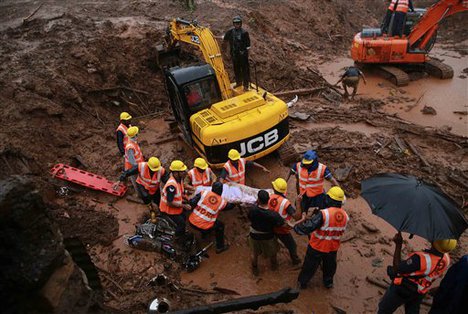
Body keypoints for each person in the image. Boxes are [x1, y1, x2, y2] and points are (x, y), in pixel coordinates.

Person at [377, 237, 455, 314]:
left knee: (384, 309)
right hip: (421, 290)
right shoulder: (446, 258)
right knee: (412, 310)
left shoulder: (420, 259)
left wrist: (398, 245)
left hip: (403, 288)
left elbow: (398, 268)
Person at [294, 186, 349, 289]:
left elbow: (308, 227)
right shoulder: (345, 216)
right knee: (330, 265)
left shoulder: (324, 214)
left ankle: (302, 283)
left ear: (330, 199)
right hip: (333, 247)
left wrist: (296, 228)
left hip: (317, 246)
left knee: (309, 265)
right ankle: (328, 282)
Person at [248, 190, 288, 276]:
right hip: (268, 236)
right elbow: (282, 224)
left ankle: (255, 269)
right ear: (268, 200)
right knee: (273, 253)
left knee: (254, 254)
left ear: (258, 199)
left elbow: (249, 218)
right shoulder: (273, 215)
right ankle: (274, 267)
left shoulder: (252, 210)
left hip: (254, 235)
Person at [117, 157, 167, 223]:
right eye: (153, 170)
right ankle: (151, 209)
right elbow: (129, 172)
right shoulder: (142, 166)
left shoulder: (161, 170)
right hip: (142, 185)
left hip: (154, 188)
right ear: (148, 166)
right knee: (146, 197)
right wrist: (121, 179)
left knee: (158, 200)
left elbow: (167, 179)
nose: (155, 171)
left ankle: (162, 213)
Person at [188, 182, 230, 254]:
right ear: (221, 191)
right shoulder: (222, 202)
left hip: (192, 221)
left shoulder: (204, 193)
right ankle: (220, 247)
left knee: (206, 222)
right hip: (204, 226)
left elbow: (192, 202)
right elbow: (230, 207)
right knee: (220, 226)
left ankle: (204, 235)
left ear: (212, 188)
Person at [268, 178, 301, 265]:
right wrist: (298, 203)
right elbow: (297, 217)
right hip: (282, 229)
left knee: (272, 246)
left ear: (274, 189)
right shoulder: (285, 203)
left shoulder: (268, 197)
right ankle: (295, 260)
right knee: (292, 246)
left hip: (270, 227)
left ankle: (273, 264)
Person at [160, 160, 191, 238]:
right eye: (182, 171)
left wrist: (186, 199)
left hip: (176, 206)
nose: (184, 173)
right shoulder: (171, 186)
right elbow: (169, 203)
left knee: (183, 217)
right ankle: (177, 238)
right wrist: (184, 206)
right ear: (176, 172)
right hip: (168, 209)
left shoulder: (179, 179)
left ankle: (182, 232)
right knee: (181, 223)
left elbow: (180, 192)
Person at [223, 16, 251, 91]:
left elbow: (248, 46)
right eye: (235, 23)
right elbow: (225, 39)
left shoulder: (244, 33)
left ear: (240, 24)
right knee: (236, 69)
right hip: (235, 55)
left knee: (245, 70)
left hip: (243, 55)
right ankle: (239, 82)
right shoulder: (230, 32)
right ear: (233, 24)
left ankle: (246, 85)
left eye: (238, 23)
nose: (236, 25)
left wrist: (248, 55)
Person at [124, 126, 144, 192]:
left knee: (139, 181)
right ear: (135, 135)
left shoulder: (133, 142)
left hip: (137, 166)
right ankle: (140, 195)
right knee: (137, 183)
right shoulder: (130, 147)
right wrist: (138, 168)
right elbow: (132, 161)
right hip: (132, 168)